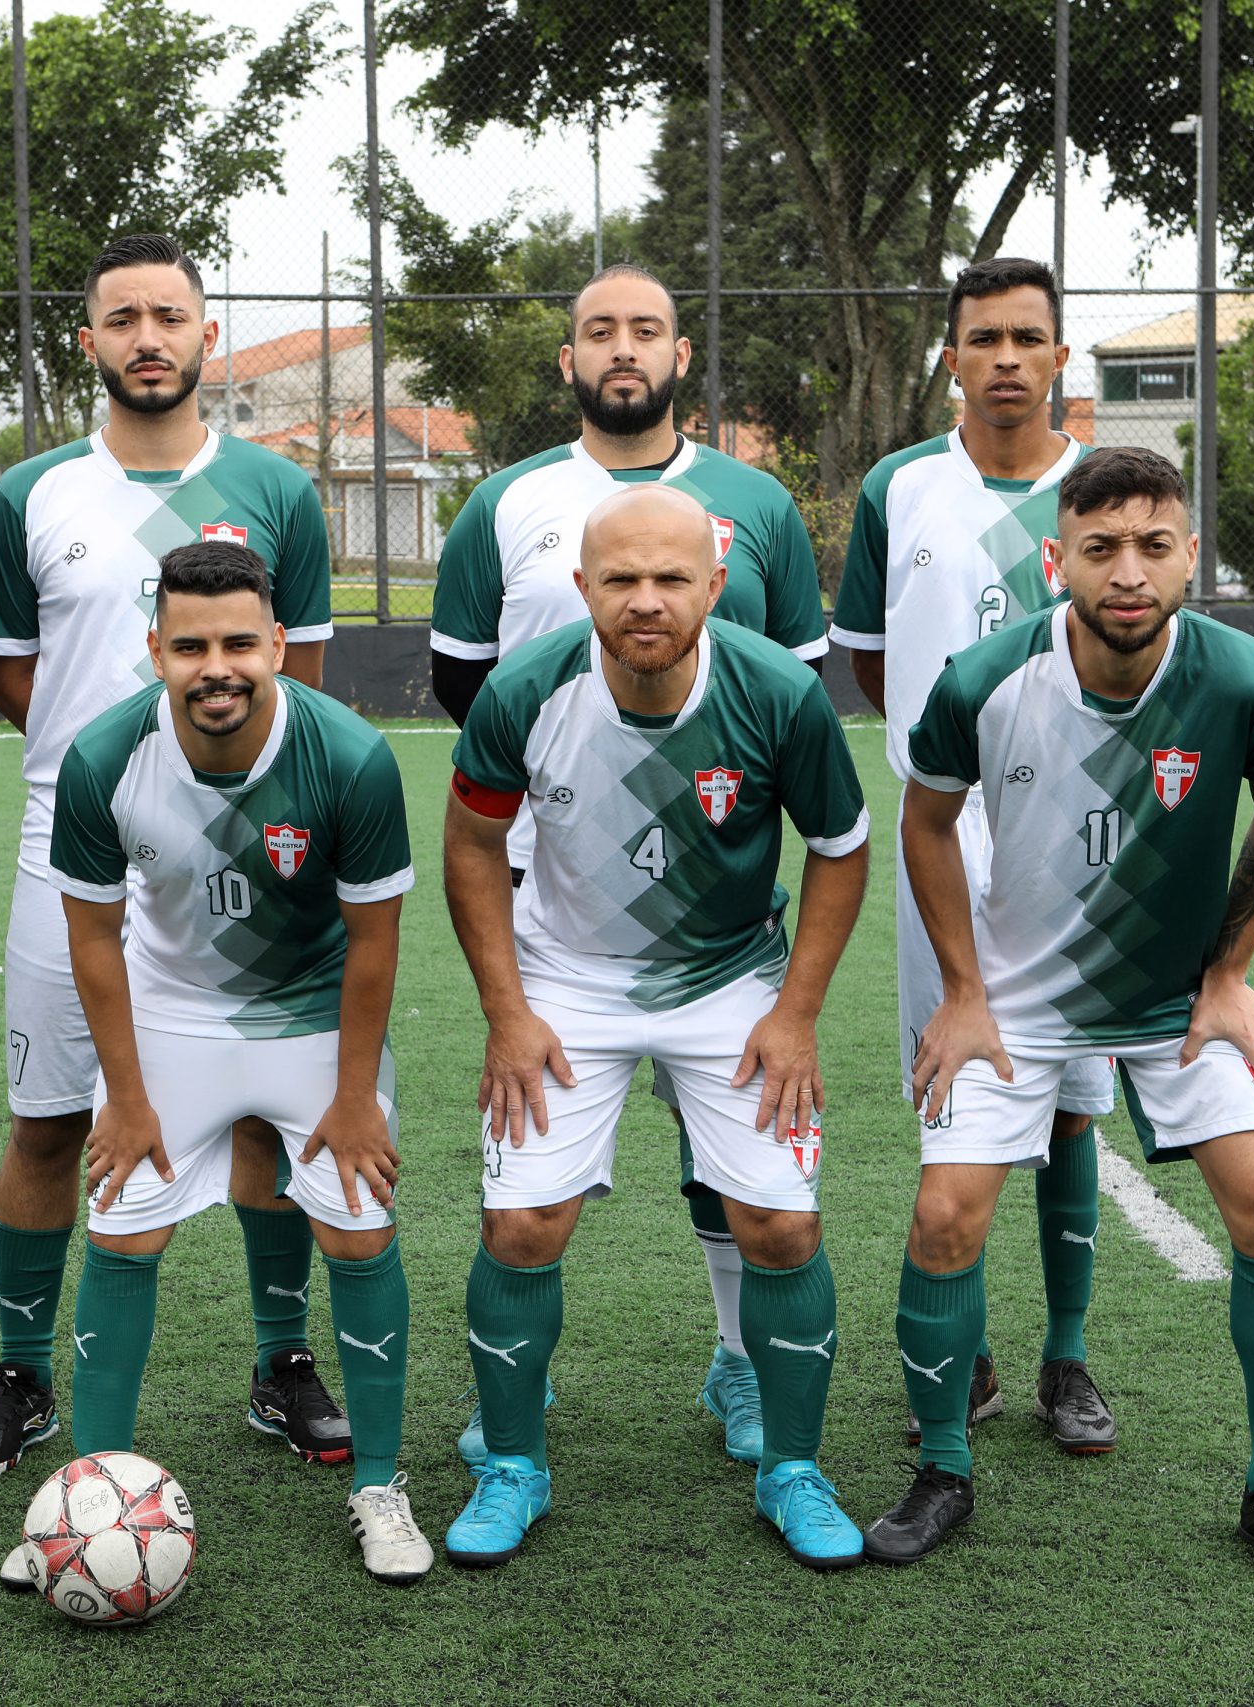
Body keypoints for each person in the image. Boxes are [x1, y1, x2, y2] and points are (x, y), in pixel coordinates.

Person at [873, 446, 1254, 1589]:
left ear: (1189, 557)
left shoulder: (1245, 680)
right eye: (1100, 549)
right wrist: (964, 994)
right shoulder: (982, 679)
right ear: (1057, 562)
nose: (1126, 573)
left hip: (1177, 1001)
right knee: (944, 1218)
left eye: (1151, 546)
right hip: (1017, 1003)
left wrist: (1228, 975)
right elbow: (926, 826)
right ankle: (943, 1468)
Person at [0, 233, 347, 1485]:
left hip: (247, 851)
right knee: (47, 1120)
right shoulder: (31, 495)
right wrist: (111, 784)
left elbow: (305, 681)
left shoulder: (278, 493)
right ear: (89, 344)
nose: (146, 337)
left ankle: (282, 1361)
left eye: (167, 315)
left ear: (204, 335)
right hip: (69, 851)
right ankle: (21, 1376)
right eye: (119, 317)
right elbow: (15, 680)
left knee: (261, 1118)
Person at [428, 262, 830, 1468]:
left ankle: (739, 1370)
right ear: (568, 361)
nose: (621, 348)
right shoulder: (504, 502)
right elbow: (468, 689)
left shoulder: (753, 502)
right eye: (597, 331)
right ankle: (515, 1412)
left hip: (722, 894)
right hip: (559, 887)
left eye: (645, 330)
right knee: (531, 1197)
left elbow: (795, 687)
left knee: (736, 1173)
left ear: (680, 355)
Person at [439, 485, 872, 1571]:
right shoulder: (523, 690)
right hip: (565, 979)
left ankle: (792, 1468)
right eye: (620, 579)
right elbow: (472, 846)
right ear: (581, 587)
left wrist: (795, 1014)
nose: (645, 601)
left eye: (670, 579)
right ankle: (512, 1463)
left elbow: (841, 847)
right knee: (522, 1229)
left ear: (714, 588)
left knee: (781, 1230)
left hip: (728, 977)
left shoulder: (776, 693)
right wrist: (508, 1012)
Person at [0, 540, 430, 1585]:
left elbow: (375, 942)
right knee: (123, 1227)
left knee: (357, 1233)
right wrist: (129, 1098)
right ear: (155, 650)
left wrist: (358, 1096)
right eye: (191, 647)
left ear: (278, 643)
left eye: (240, 642)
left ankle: (379, 1484)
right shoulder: (104, 757)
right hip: (172, 1019)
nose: (217, 666)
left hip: (314, 1023)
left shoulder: (352, 757)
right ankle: (84, 1498)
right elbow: (93, 940)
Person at [825, 256, 1124, 1460]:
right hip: (941, 836)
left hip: (1085, 844)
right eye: (983, 339)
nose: (1006, 359)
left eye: (1028, 339)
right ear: (949, 357)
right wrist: (952, 759)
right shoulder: (899, 486)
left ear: (1061, 358)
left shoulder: (1098, 489)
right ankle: (973, 1348)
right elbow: (869, 659)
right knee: (954, 1093)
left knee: (1067, 1114)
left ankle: (1067, 1357)